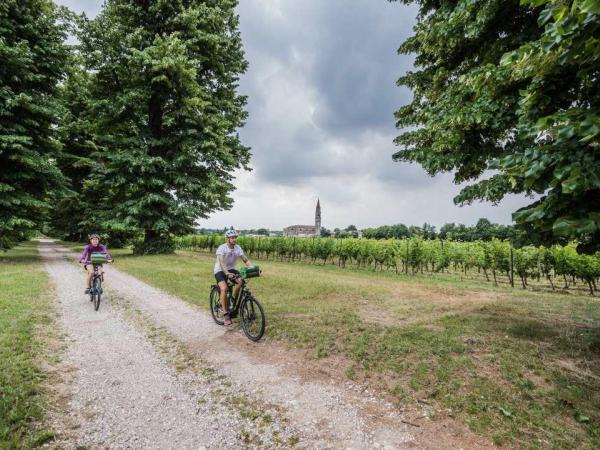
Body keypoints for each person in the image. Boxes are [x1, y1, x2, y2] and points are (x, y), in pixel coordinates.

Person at [214, 229, 252, 325]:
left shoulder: (237, 248)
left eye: (235, 237)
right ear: (227, 239)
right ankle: (226, 314)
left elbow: (245, 260)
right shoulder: (221, 248)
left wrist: (253, 268)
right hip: (220, 270)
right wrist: (226, 272)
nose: (234, 239)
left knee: (241, 282)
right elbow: (222, 262)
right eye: (232, 237)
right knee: (224, 288)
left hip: (231, 269)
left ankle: (233, 299)